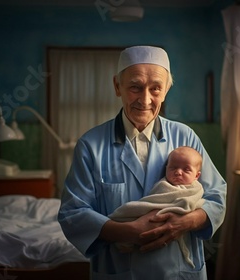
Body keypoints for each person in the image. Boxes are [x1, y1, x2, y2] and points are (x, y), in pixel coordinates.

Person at [58, 45, 226, 279]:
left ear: (166, 90)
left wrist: (185, 223)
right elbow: (73, 213)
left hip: (177, 271)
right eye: (135, 87)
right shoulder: (90, 145)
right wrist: (127, 231)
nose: (145, 100)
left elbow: (216, 196)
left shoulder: (185, 137)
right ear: (118, 86)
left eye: (156, 89)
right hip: (119, 269)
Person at [108, 146, 206, 268]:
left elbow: (209, 202)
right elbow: (152, 202)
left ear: (197, 176)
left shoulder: (196, 189)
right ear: (166, 168)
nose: (178, 172)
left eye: (186, 170)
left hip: (173, 259)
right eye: (173, 167)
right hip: (128, 257)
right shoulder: (164, 185)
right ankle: (126, 241)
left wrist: (187, 217)